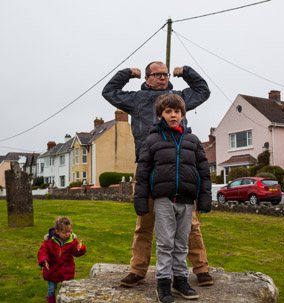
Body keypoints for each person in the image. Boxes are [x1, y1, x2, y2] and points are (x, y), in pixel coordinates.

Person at [102, 61, 213, 287]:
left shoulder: (178, 98)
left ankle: (201, 269)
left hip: (179, 168)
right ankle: (138, 270)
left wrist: (187, 72)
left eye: (165, 74)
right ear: (147, 78)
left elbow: (203, 91)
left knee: (189, 224)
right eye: (157, 74)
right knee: (144, 222)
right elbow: (109, 92)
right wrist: (126, 73)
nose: (163, 77)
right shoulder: (136, 99)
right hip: (149, 168)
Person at [134, 93, 212, 302]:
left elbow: (203, 172)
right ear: (160, 115)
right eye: (168, 111)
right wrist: (140, 200)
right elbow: (142, 173)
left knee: (181, 244)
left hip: (187, 201)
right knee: (165, 243)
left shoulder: (192, 141)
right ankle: (163, 283)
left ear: (182, 115)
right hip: (163, 201)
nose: (173, 115)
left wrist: (204, 199)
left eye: (177, 111)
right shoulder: (152, 140)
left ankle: (180, 281)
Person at [37, 217, 86, 303]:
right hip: (52, 269)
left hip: (66, 269)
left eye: (69, 231)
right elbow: (43, 251)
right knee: (51, 289)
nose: (67, 234)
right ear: (57, 231)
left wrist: (80, 248)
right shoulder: (49, 240)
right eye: (64, 232)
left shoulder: (72, 240)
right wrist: (44, 260)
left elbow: (76, 253)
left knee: (66, 288)